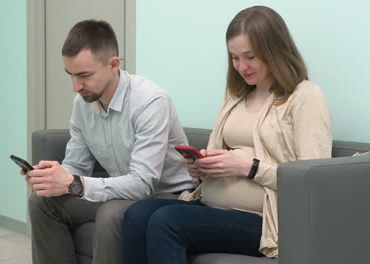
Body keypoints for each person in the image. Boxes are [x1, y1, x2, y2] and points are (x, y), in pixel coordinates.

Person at [121, 5, 332, 263]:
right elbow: (217, 157)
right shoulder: (236, 96)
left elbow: (313, 180)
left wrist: (250, 168)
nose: (242, 67)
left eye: (250, 57)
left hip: (265, 220)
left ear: (274, 50)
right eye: (235, 57)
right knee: (137, 214)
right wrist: (201, 167)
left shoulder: (306, 96)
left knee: (167, 221)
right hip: (211, 204)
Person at [21, 19, 194, 264]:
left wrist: (74, 184)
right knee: (42, 202)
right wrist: (51, 178)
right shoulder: (82, 104)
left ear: (113, 65)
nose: (75, 86)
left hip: (166, 196)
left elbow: (143, 184)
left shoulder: (151, 102)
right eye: (70, 75)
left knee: (112, 214)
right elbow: (76, 167)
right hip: (120, 193)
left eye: (84, 75)